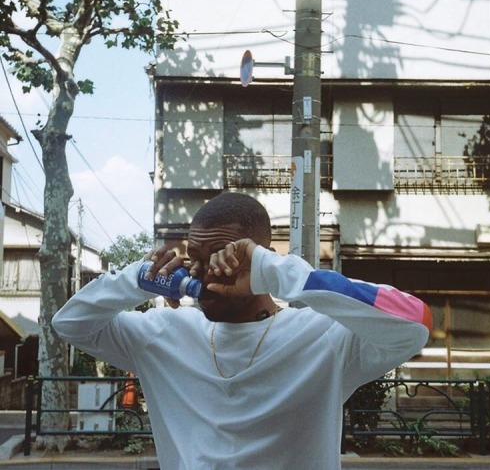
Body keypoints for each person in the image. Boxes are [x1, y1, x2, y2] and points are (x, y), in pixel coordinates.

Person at [52, 192, 432, 470]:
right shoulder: (163, 333)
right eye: (195, 260)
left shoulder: (323, 338)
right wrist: (136, 279)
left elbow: (415, 322)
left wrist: (277, 272)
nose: (200, 274)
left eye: (221, 260)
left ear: (258, 257)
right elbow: (69, 323)